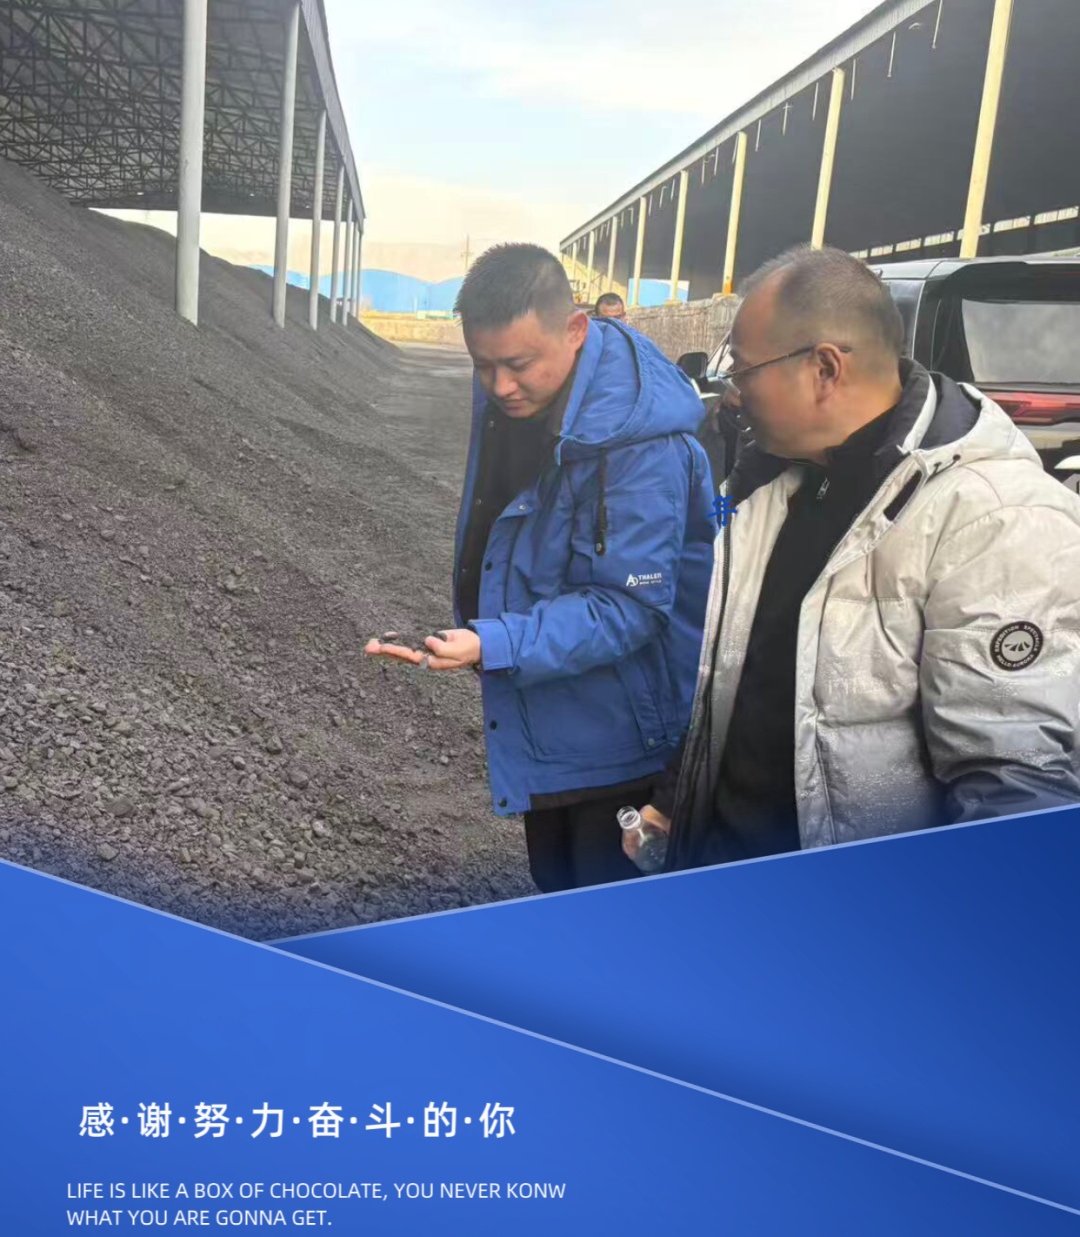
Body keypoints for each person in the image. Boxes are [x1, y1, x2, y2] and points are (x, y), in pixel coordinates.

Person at [628, 244, 1080, 872]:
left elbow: (1015, 779)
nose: (733, 392)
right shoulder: (766, 484)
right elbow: (734, 674)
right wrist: (675, 798)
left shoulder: (996, 517)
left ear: (824, 368)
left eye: (745, 370)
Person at [367, 243, 716, 893]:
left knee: (607, 922)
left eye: (518, 365)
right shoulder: (519, 401)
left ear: (576, 328)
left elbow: (631, 607)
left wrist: (494, 641)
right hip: (550, 714)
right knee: (554, 887)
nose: (500, 386)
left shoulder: (640, 444)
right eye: (483, 365)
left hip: (624, 748)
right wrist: (474, 636)